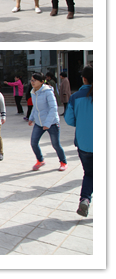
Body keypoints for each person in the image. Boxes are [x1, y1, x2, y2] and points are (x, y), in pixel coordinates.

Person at [64, 66, 93, 216]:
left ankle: (85, 199)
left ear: (84, 78)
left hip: (84, 143)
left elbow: (69, 120)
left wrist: (82, 121)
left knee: (89, 174)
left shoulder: (76, 97)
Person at [29, 72, 67, 172]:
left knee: (56, 145)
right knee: (33, 143)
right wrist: (31, 118)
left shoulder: (48, 92)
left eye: (34, 80)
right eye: (31, 80)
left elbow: (53, 108)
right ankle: (40, 160)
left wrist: (47, 123)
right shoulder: (33, 92)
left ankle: (63, 162)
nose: (32, 82)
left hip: (52, 123)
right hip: (39, 123)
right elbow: (35, 107)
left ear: (42, 82)